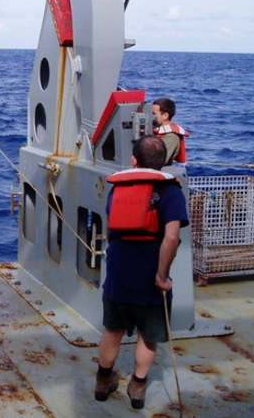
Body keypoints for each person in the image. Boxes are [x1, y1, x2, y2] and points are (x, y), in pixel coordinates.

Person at [94, 135, 189, 409]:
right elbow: (171, 238)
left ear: (134, 160)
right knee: (148, 336)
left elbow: (111, 229)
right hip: (149, 275)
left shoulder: (118, 189)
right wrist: (161, 276)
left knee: (113, 329)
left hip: (119, 272)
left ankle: (103, 381)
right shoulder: (171, 192)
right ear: (164, 162)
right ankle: (137, 388)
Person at [151, 97, 190, 165]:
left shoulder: (171, 137)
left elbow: (158, 161)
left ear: (165, 116)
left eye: (154, 114)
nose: (151, 116)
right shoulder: (154, 131)